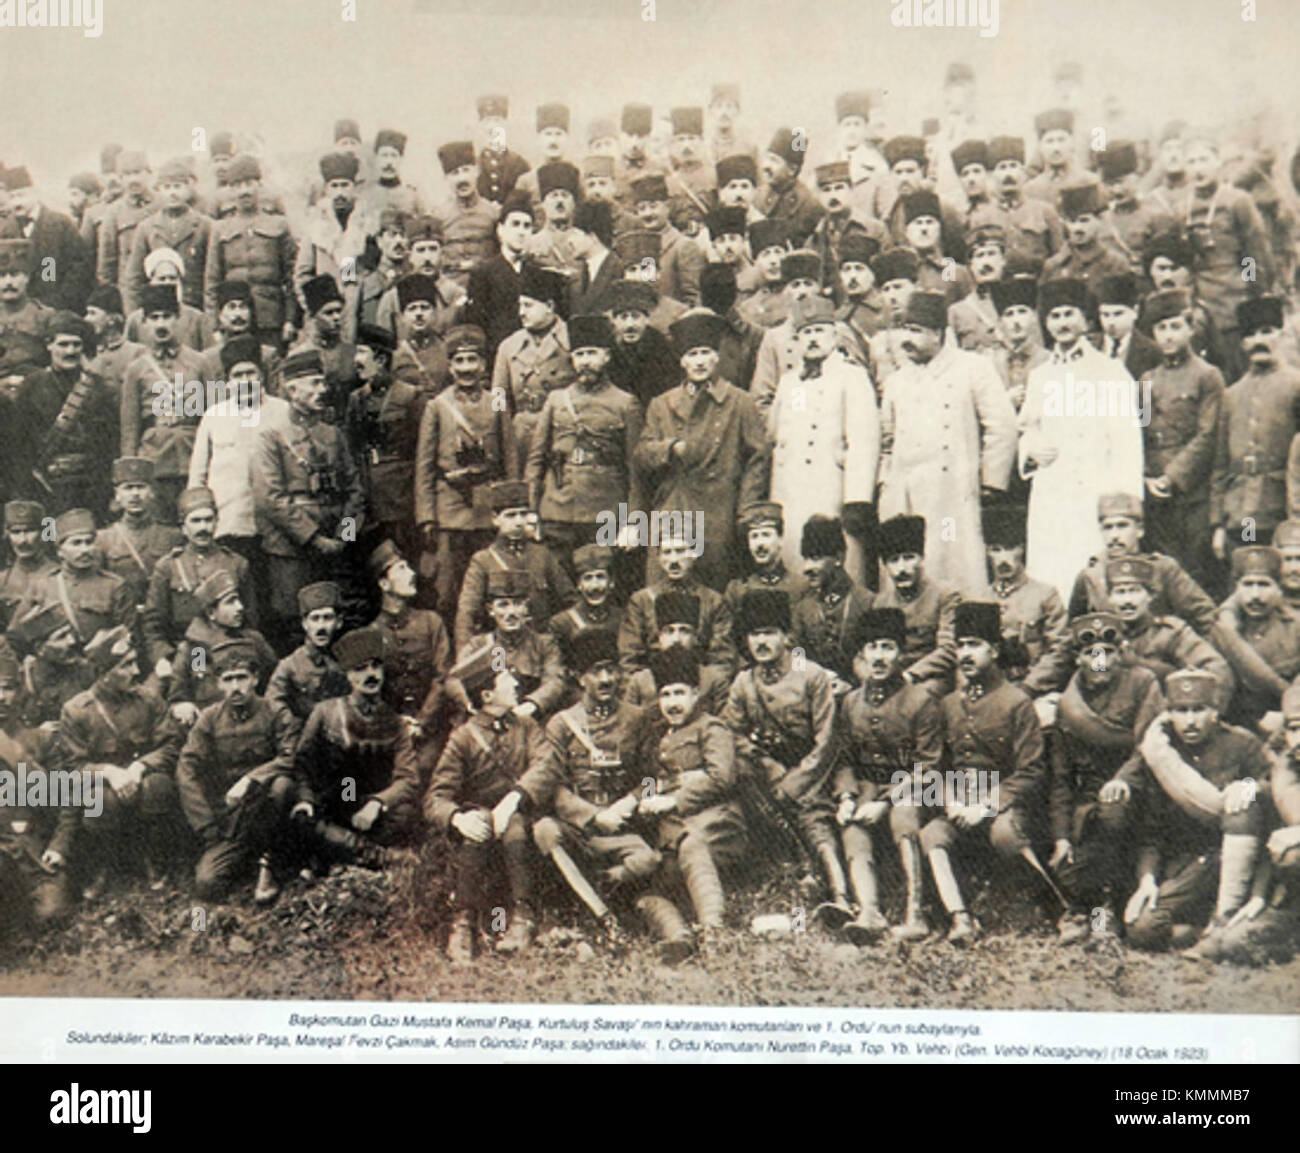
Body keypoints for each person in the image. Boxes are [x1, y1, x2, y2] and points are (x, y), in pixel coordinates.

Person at [920, 602, 1048, 943]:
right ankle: (960, 918)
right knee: (932, 834)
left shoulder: (1016, 702)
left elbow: (1031, 769)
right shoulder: (947, 704)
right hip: (960, 805)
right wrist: (951, 804)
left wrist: (986, 806)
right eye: (961, 645)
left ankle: (1050, 904)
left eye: (974, 645)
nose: (965, 653)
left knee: (1005, 834)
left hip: (1002, 804)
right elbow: (938, 766)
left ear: (993, 650)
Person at [878, 290, 1018, 595]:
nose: (906, 338)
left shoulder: (972, 368)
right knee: (908, 571)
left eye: (915, 331)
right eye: (903, 329)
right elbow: (886, 440)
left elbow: (1002, 427)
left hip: (952, 493)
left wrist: (991, 482)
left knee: (955, 571)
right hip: (905, 495)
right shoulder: (896, 381)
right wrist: (885, 484)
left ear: (938, 334)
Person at [1127, 669, 1273, 954]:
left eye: (1199, 709)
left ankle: (1224, 918)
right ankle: (1199, 931)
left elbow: (1276, 789)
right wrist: (1147, 881)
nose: (1190, 721)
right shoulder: (1163, 754)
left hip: (1237, 860)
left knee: (1241, 808)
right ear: (1169, 714)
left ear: (1215, 711)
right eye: (1181, 711)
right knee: (1142, 929)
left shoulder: (1242, 744)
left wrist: (1253, 786)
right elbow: (1151, 832)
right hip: (1189, 866)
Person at [426, 649, 557, 963]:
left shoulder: (526, 727)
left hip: (518, 816)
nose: (515, 683)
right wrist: (457, 818)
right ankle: (463, 923)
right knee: (478, 829)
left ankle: (523, 917)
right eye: (507, 679)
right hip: (479, 818)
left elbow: (547, 765)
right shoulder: (463, 738)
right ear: (487, 695)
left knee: (513, 829)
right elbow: (435, 798)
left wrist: (514, 799)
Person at [1019, 277, 1144, 599]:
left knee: (1092, 575)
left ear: (1085, 319)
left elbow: (1127, 445)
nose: (1062, 323)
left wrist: (1124, 507)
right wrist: (1031, 452)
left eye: (1069, 314)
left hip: (1093, 494)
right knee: (1051, 575)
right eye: (1054, 316)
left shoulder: (1110, 372)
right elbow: (1027, 429)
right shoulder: (1040, 376)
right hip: (1051, 496)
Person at [723, 590, 844, 917]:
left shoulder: (812, 675)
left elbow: (828, 740)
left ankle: (839, 892)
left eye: (769, 633)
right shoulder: (744, 682)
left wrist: (795, 782)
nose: (761, 642)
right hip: (767, 777)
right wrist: (766, 764)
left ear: (787, 636)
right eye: (754, 634)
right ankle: (794, 866)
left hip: (812, 774)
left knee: (812, 817)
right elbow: (729, 733)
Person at [534, 629, 659, 942]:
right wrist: (592, 815)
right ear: (579, 678)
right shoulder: (561, 724)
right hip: (580, 830)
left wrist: (628, 803)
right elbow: (551, 784)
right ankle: (603, 917)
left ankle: (606, 890)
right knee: (544, 830)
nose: (605, 679)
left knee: (648, 860)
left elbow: (652, 776)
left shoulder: (637, 718)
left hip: (623, 828)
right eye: (595, 672)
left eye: (611, 670)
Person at [1047, 612, 1164, 943]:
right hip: (1087, 801)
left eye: (1108, 652)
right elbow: (1061, 777)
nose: (1100, 662)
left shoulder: (1143, 683)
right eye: (1090, 654)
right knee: (1069, 865)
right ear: (1077, 657)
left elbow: (1149, 745)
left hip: (1137, 790)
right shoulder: (1070, 702)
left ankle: (1104, 913)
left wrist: (1123, 779)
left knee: (1114, 815)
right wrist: (1062, 836)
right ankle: (1076, 910)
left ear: (1121, 652)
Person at [635, 312, 771, 590]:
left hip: (718, 510)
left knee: (713, 590)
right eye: (692, 354)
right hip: (674, 505)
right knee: (666, 590)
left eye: (705, 353)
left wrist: (744, 508)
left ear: (716, 357)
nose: (699, 361)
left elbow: (758, 458)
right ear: (681, 361)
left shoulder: (739, 402)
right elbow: (641, 454)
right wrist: (669, 448)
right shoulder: (662, 405)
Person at [625, 647, 746, 960]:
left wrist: (672, 800)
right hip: (673, 832)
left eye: (680, 693)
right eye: (665, 695)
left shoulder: (712, 728)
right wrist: (638, 799)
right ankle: (678, 936)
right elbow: (652, 779)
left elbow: (722, 778)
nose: (673, 703)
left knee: (692, 845)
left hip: (718, 823)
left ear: (695, 694)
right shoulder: (658, 735)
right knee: (648, 886)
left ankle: (714, 931)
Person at [832, 608, 941, 941]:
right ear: (862, 654)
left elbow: (930, 767)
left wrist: (887, 801)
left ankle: (916, 913)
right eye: (873, 648)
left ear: (901, 654)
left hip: (918, 787)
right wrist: (847, 797)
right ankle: (870, 911)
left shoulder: (921, 701)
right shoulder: (851, 702)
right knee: (852, 826)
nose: (880, 657)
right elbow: (844, 759)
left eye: (887, 647)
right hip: (868, 787)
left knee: (903, 816)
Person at [252, 347, 365, 650]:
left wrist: (345, 536)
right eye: (314, 383)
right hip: (292, 548)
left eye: (322, 383)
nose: (322, 390)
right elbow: (270, 498)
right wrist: (315, 539)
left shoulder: (333, 434)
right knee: (293, 623)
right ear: (291, 389)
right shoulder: (270, 436)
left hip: (335, 543)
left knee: (337, 619)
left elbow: (355, 489)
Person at [58, 626, 185, 895]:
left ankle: (155, 860)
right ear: (104, 674)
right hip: (104, 787)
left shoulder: (148, 699)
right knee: (97, 802)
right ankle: (103, 865)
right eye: (125, 666)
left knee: (158, 787)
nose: (136, 671)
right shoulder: (76, 711)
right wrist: (108, 772)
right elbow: (72, 769)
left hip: (144, 780)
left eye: (134, 662)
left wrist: (141, 766)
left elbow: (172, 744)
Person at [176, 639, 299, 905]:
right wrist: (206, 824)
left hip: (270, 810)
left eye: (241, 678)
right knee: (207, 883)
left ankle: (269, 864)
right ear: (218, 683)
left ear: (255, 678)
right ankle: (248, 862)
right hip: (232, 819)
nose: (235, 687)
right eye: (228, 679)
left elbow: (291, 756)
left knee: (282, 786)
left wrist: (251, 779)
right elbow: (187, 769)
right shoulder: (209, 719)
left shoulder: (275, 712)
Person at [767, 294, 878, 582]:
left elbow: (863, 443)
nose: (813, 339)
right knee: (796, 567)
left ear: (834, 334)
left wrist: (856, 500)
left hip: (831, 491)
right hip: (791, 494)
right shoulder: (790, 382)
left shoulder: (851, 377)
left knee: (839, 568)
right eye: (806, 333)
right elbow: (776, 439)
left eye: (819, 331)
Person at [293, 627, 421, 870]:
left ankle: (342, 851)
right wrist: (306, 799)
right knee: (302, 820)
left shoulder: (394, 721)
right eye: (359, 669)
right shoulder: (326, 712)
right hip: (334, 800)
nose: (370, 675)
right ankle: (375, 855)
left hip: (369, 805)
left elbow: (408, 778)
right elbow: (303, 763)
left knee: (407, 813)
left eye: (375, 667)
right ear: (347, 676)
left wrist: (377, 803)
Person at [414, 324, 517, 623]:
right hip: (450, 508)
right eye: (459, 361)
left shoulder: (496, 400)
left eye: (473, 360)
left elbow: (509, 454)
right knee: (447, 590)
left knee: (493, 584)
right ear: (449, 365)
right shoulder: (437, 405)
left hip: (488, 506)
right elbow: (424, 466)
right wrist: (427, 516)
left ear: (484, 364)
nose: (466, 368)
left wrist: (513, 505)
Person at [524, 313, 644, 569]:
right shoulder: (556, 400)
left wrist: (633, 521)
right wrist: (532, 510)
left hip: (605, 511)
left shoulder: (626, 403)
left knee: (601, 580)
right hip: (558, 510)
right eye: (579, 355)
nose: (585, 362)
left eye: (592, 353)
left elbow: (635, 470)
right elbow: (536, 460)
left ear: (607, 356)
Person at [1211, 297, 1300, 564]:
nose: (1259, 340)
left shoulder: (1295, 386)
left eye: (1267, 332)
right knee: (1247, 575)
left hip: (1282, 512)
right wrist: (1217, 524)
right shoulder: (1231, 394)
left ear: (1283, 335)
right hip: (1241, 515)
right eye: (1250, 335)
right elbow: (1220, 464)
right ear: (1243, 344)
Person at [11, 311, 118, 518]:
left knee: (84, 541)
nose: (71, 351)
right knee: (49, 537)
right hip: (45, 487)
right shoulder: (32, 385)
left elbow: (110, 442)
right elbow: (18, 443)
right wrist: (25, 488)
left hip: (89, 489)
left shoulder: (98, 387)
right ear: (48, 345)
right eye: (63, 344)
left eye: (76, 344)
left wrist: (105, 488)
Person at [0, 646, 75, 935]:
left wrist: (59, 846)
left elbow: (67, 800)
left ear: (19, 691)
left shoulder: (40, 740)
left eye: (7, 689)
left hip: (33, 851)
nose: (1, 697)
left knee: (51, 916)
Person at [119, 283, 207, 523]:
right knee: (160, 524)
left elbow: (212, 415)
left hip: (193, 456)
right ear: (144, 322)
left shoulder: (200, 363)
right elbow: (129, 426)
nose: (161, 324)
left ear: (179, 319)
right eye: (154, 318)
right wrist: (131, 473)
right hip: (154, 459)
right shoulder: (136, 369)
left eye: (167, 317)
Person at [454, 480, 574, 653]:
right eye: (511, 515)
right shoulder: (483, 560)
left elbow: (570, 601)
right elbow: (467, 614)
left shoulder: (542, 555)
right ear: (496, 519)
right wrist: (466, 658)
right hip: (500, 651)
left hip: (538, 650)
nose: (519, 522)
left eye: (523, 514)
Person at [344, 323, 426, 560]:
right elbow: (352, 450)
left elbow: (422, 452)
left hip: (400, 499)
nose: (355, 361)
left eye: (361, 353)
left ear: (379, 359)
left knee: (404, 558)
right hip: (367, 497)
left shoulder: (410, 396)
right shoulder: (356, 399)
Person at [203, 154, 296, 347]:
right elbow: (212, 280)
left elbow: (290, 277)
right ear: (230, 189)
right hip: (234, 319)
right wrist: (214, 326)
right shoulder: (220, 229)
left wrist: (291, 319)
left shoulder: (279, 224)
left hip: (271, 317)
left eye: (249, 183)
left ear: (259, 185)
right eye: (237, 185)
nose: (244, 191)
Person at [457, 569, 566, 720]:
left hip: (530, 721)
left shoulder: (544, 645)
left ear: (526, 608)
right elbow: (456, 680)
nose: (511, 613)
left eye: (518, 604)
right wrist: (470, 704)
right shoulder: (478, 646)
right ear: (490, 610)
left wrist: (531, 705)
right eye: (503, 605)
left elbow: (554, 681)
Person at [790, 515, 873, 686]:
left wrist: (852, 687)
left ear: (838, 558)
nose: (807, 568)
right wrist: (819, 675)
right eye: (806, 559)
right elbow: (796, 654)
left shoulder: (867, 603)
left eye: (816, 558)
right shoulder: (803, 608)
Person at [265, 581, 349, 737]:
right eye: (315, 619)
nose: (321, 627)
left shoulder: (349, 660)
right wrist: (296, 726)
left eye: (327, 618)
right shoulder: (290, 665)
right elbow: (272, 701)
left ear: (339, 622)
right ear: (305, 624)